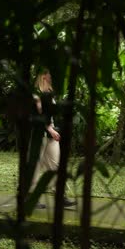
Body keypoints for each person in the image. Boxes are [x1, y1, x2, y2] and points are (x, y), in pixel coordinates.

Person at [31, 69, 77, 208]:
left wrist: (53, 129)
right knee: (35, 167)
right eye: (51, 74)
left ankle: (60, 196)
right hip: (39, 134)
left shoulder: (49, 92)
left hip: (50, 134)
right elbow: (38, 115)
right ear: (44, 75)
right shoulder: (36, 94)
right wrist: (50, 129)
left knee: (56, 165)